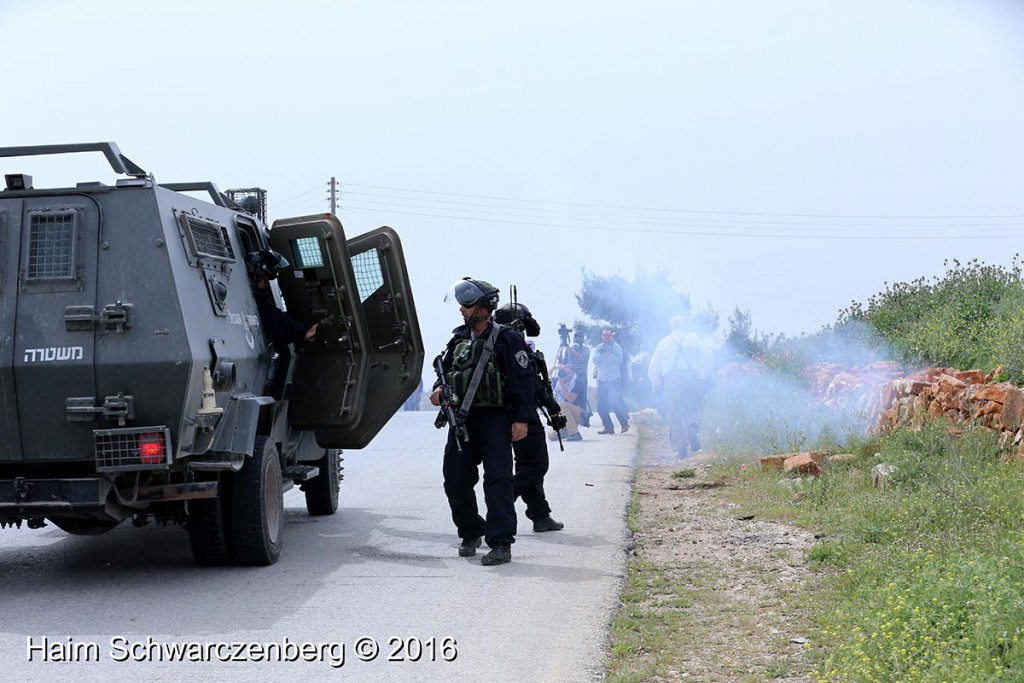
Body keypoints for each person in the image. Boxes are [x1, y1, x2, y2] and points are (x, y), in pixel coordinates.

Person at [430, 278, 536, 566]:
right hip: (461, 419)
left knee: (499, 481)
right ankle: (470, 532)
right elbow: (448, 372)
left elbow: (523, 381)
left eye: (468, 305)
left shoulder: (506, 339)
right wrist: (438, 392)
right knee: (455, 480)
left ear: (485, 307)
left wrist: (522, 419)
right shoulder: (458, 339)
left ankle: (501, 542)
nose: (462, 310)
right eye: (462, 305)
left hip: (495, 419)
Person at [494, 302, 565, 534]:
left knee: (527, 465)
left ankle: (540, 515)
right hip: (522, 415)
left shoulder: (491, 344)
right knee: (536, 465)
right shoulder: (516, 347)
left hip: (500, 416)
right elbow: (531, 385)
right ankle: (503, 502)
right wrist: (552, 406)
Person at [245, 248, 317, 398]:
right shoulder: (252, 295)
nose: (265, 285)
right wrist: (302, 331)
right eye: (265, 280)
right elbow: (273, 321)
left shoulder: (251, 292)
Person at [648, 316, 714, 458]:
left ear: (671, 327)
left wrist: (656, 384)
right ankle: (692, 427)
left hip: (671, 379)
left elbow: (653, 366)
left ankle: (682, 449)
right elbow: (708, 356)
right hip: (691, 376)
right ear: (684, 326)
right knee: (692, 406)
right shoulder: (694, 338)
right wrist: (704, 374)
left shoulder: (664, 342)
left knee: (674, 412)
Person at [592, 329, 630, 434]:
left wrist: (610, 356)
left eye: (608, 335)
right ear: (602, 336)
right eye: (605, 335)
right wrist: (602, 356)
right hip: (602, 379)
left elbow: (620, 361)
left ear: (611, 336)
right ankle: (608, 427)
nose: (607, 337)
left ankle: (624, 424)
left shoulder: (617, 347)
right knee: (600, 405)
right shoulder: (599, 348)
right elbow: (594, 360)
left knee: (615, 402)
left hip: (614, 379)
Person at [549, 364, 583, 441]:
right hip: (564, 416)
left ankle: (575, 433)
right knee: (552, 436)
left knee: (561, 405)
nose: (567, 375)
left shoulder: (578, 382)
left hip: (579, 413)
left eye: (569, 373)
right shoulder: (558, 381)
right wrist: (554, 368)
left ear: (573, 372)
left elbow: (570, 399)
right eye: (564, 373)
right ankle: (567, 429)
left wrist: (562, 384)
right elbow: (544, 378)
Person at [565, 330, 592, 426]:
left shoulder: (586, 350)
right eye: (575, 337)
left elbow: (580, 358)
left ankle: (584, 417)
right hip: (571, 376)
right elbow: (568, 362)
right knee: (570, 397)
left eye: (579, 337)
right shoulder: (572, 349)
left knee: (581, 398)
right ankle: (572, 416)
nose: (577, 338)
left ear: (582, 339)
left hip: (581, 376)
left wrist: (571, 351)